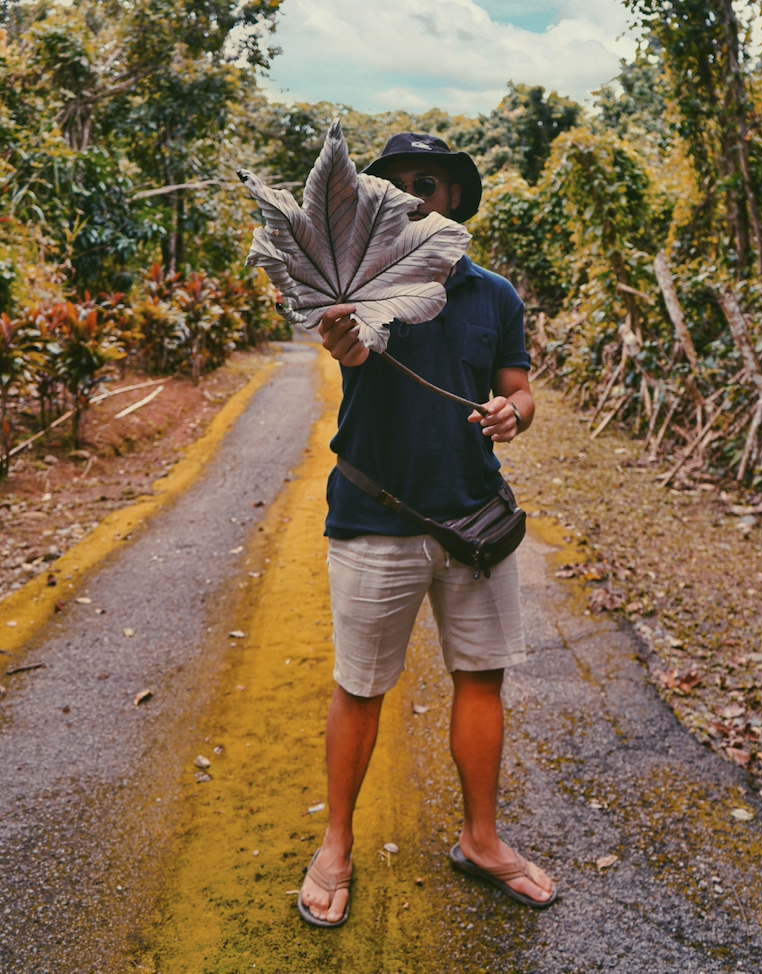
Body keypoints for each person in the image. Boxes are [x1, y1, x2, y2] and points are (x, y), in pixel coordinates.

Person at [297, 132, 556, 928]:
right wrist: (347, 340)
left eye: (428, 183)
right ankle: (335, 845)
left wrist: (513, 412)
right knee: (361, 686)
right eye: (396, 185)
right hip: (374, 519)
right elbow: (351, 346)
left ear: (453, 198)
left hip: (473, 520)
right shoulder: (363, 291)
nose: (412, 194)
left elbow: (520, 388)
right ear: (374, 205)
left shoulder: (495, 295)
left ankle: (481, 839)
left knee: (482, 678)